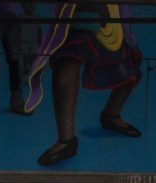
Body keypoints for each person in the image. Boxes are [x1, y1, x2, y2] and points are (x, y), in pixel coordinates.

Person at [24, 2, 143, 166]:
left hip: (111, 17)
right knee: (66, 66)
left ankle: (111, 115)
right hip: (78, 14)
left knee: (129, 68)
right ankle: (66, 140)